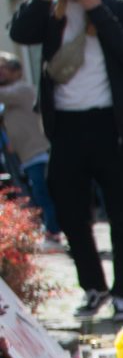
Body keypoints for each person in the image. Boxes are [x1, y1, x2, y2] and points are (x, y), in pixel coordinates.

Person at [8, 0, 123, 321]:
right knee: (69, 214)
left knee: (121, 213)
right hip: (66, 125)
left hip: (111, 124)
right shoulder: (49, 11)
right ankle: (93, 287)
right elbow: (19, 33)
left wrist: (94, 9)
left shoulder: (116, 5)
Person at [0, 52, 59, 249]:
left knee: (43, 193)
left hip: (38, 153)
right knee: (38, 193)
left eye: (3, 69)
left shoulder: (23, 90)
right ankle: (51, 229)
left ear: (16, 71)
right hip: (26, 156)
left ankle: (53, 231)